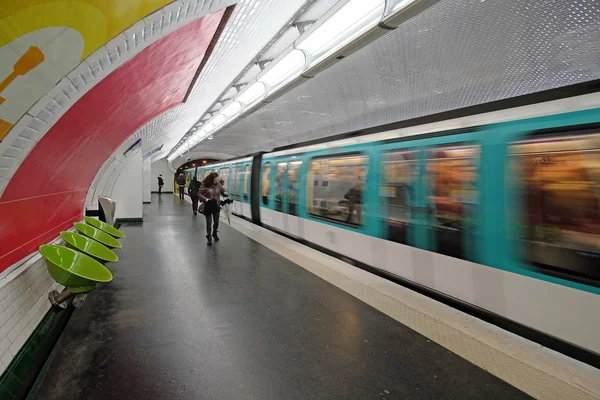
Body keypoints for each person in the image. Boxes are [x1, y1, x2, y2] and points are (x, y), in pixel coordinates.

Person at [199, 172, 228, 245]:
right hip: (208, 206)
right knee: (209, 222)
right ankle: (209, 237)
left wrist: (224, 192)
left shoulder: (218, 184)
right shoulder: (204, 185)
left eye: (217, 180)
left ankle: (214, 233)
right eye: (215, 180)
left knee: (216, 222)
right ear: (210, 180)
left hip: (216, 206)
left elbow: (222, 190)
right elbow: (199, 193)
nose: (216, 181)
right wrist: (206, 199)